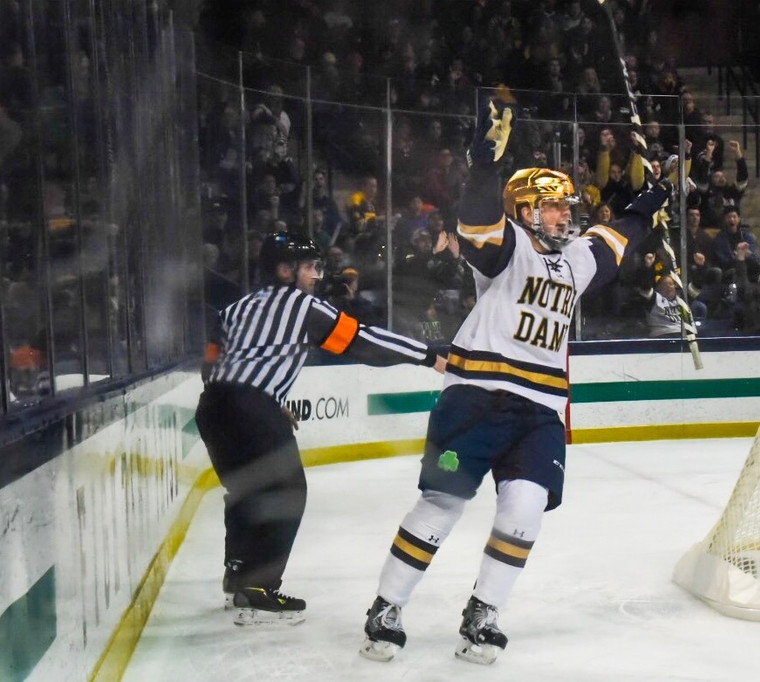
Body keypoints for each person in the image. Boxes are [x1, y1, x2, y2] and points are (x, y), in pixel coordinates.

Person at [359, 92, 675, 665]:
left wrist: (651, 198)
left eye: (566, 207)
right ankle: (387, 606)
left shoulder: (577, 259)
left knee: (525, 509)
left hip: (541, 409)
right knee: (442, 502)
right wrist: (485, 166)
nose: (565, 216)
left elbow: (621, 235)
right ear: (526, 209)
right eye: (553, 207)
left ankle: (483, 612)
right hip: (476, 398)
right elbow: (476, 219)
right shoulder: (507, 245)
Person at [196, 231, 445, 626]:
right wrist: (428, 355)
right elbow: (361, 341)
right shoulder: (302, 307)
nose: (316, 275)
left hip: (212, 408)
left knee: (244, 489)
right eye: (310, 267)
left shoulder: (234, 309)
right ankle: (257, 589)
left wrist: (263, 398)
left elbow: (211, 364)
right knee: (287, 492)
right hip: (250, 408)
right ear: (285, 270)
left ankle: (238, 573)